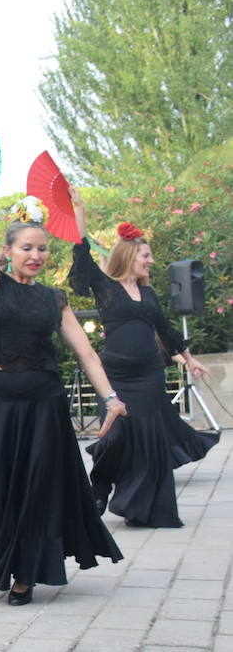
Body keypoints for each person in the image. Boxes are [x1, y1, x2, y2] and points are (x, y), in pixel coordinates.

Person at [0, 143, 125, 604]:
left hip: (44, 405)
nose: (36, 255)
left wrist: (111, 398)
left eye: (42, 248)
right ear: (9, 251)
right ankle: (0, 555)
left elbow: (87, 355)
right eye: (27, 248)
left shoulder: (52, 300)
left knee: (37, 489)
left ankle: (25, 573)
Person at [67, 203, 217, 528]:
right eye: (145, 256)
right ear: (129, 257)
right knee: (116, 436)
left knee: (148, 440)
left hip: (149, 376)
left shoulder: (149, 296)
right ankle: (101, 483)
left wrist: (190, 361)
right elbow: (83, 255)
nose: (150, 261)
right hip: (116, 377)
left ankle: (145, 508)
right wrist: (80, 212)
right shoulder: (107, 288)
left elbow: (165, 331)